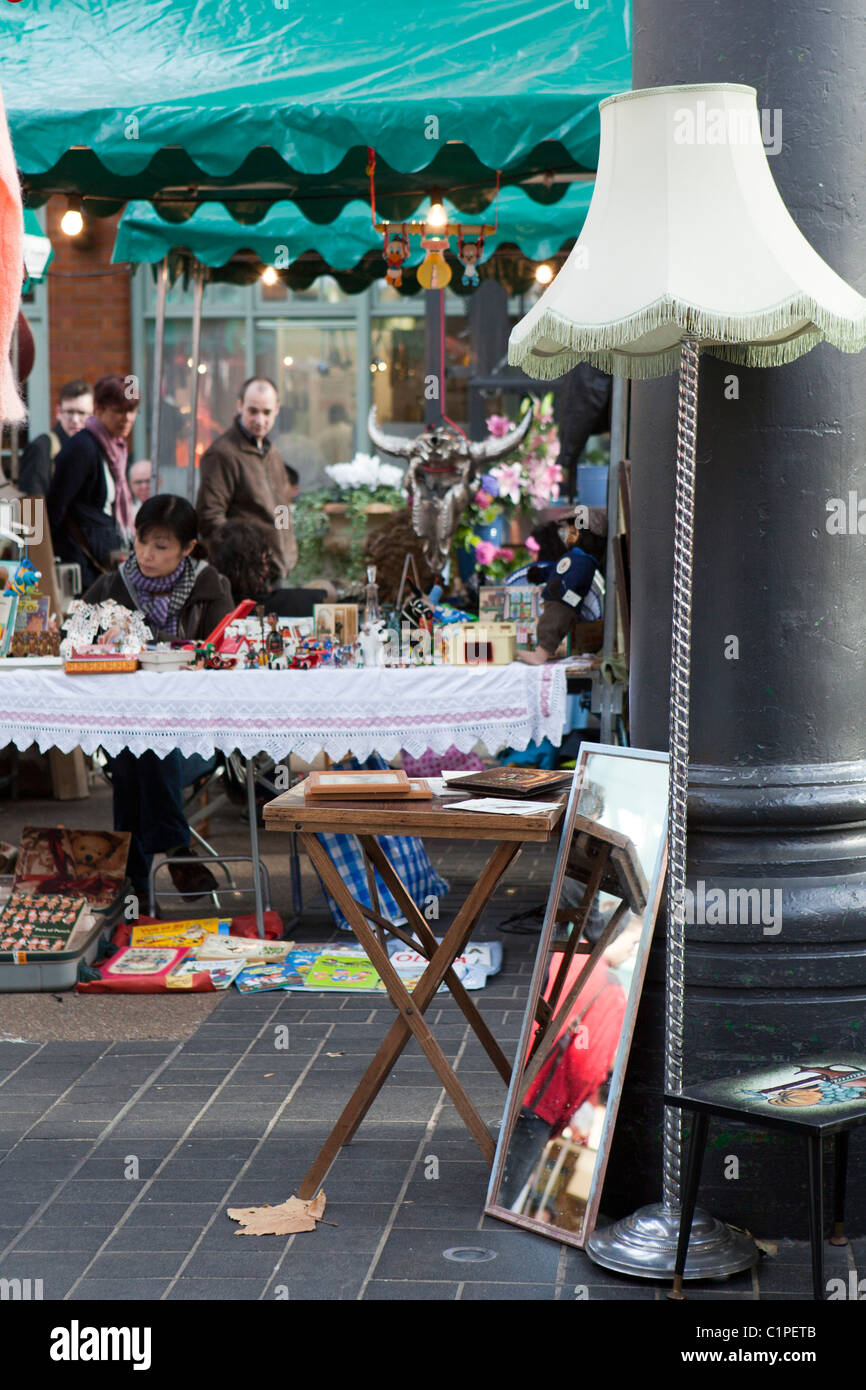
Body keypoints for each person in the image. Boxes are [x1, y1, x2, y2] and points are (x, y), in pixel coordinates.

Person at [84, 494, 234, 904]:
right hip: (125, 729)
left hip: (197, 736)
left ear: (188, 549)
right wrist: (102, 642)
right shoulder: (111, 586)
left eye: (162, 546)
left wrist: (182, 657)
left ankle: (135, 903)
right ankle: (176, 847)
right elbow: (74, 642)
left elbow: (224, 656)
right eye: (142, 542)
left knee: (139, 753)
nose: (147, 555)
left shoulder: (209, 587)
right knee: (139, 744)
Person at [196, 377, 297, 585]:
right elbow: (210, 518)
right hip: (244, 577)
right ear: (240, 406)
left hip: (278, 569)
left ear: (276, 410)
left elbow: (282, 509)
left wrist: (288, 553)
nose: (260, 420)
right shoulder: (222, 454)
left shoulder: (273, 454)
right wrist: (246, 560)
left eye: (267, 412)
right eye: (253, 411)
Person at [47, 374, 139, 590]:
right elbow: (55, 508)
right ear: (98, 409)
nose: (126, 418)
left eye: (132, 411)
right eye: (118, 411)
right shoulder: (82, 447)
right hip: (82, 566)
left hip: (102, 562)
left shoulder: (116, 448)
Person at [517, 513, 606, 665]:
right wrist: (541, 574)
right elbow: (556, 569)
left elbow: (575, 580)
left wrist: (562, 588)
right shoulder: (571, 557)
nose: (566, 535)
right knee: (548, 623)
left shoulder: (585, 563)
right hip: (556, 598)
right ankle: (546, 651)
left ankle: (540, 655)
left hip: (565, 601)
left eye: (573, 532)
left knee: (552, 625)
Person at [18, 379, 93, 498]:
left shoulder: (94, 449)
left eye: (82, 413)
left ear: (92, 416)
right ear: (59, 412)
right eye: (70, 412)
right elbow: (31, 506)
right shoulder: (42, 447)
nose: (75, 419)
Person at [317, 402, 354, 468]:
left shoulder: (323, 436)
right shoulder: (351, 432)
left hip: (330, 474)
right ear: (344, 414)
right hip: (349, 472)